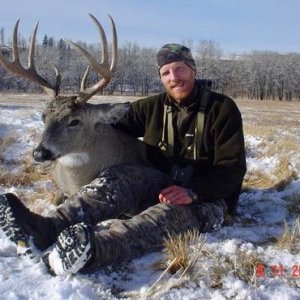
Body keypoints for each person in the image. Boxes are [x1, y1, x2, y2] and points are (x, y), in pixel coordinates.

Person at [0, 43, 246, 275]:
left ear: (193, 70)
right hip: (160, 183)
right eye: (166, 72)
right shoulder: (152, 107)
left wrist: (193, 192)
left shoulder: (221, 109)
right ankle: (45, 229)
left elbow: (233, 169)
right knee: (118, 177)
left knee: (163, 218)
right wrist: (73, 114)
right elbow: (108, 120)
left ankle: (93, 251)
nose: (174, 77)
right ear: (161, 77)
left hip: (209, 199)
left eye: (180, 68)